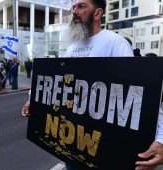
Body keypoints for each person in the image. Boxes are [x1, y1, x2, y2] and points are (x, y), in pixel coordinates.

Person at [21, 0, 163, 169]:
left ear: (98, 13)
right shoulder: (72, 48)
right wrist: (34, 100)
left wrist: (161, 139)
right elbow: (56, 83)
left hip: (102, 149)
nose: (75, 11)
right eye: (74, 7)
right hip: (74, 144)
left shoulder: (115, 43)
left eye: (81, 6)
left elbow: (139, 96)